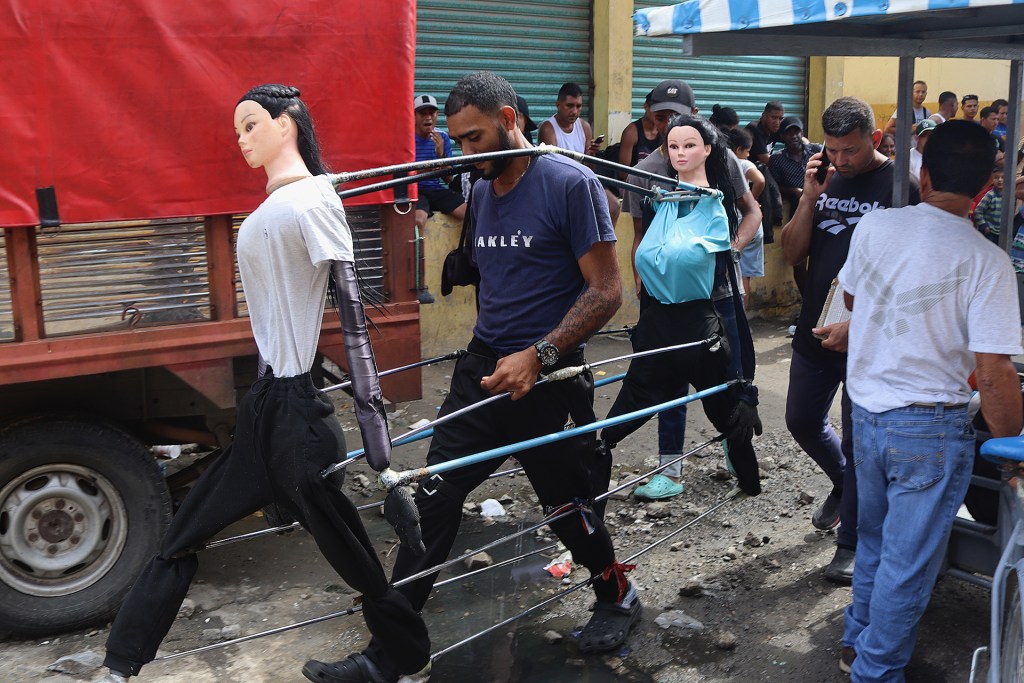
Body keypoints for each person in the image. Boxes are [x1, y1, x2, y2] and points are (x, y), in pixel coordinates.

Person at [308, 71, 636, 682]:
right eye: (458, 141)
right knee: (433, 498)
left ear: (510, 119)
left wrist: (539, 354)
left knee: (567, 507)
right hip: (482, 370)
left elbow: (607, 291)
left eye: (475, 137)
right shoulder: (482, 190)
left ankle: (617, 593)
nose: (466, 152)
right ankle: (391, 653)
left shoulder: (572, 184)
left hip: (550, 377)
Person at [100, 84, 429, 683]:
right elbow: (270, 325)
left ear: (287, 123)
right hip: (263, 412)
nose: (242, 140)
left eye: (251, 125)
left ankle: (407, 658)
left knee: (354, 559)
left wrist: (384, 465)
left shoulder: (314, 202)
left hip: (298, 417)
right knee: (180, 536)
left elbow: (355, 332)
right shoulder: (267, 213)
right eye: (237, 131)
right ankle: (120, 666)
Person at [837, 119, 1023, 680]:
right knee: (907, 563)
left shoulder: (875, 226)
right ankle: (875, 671)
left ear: (924, 176)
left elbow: (853, 297)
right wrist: (1014, 449)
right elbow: (994, 372)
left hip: (866, 414)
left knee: (875, 541)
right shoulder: (987, 260)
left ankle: (856, 643)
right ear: (986, 186)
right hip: (928, 427)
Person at [780, 96, 920, 586]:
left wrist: (860, 324)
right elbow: (792, 253)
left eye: (851, 151)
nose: (840, 160)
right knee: (800, 419)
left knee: (860, 440)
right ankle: (843, 485)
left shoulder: (903, 188)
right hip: (817, 329)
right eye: (833, 150)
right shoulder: (823, 178)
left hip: (871, 337)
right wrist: (808, 199)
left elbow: (913, 276)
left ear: (875, 139)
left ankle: (852, 543)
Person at [598, 113, 763, 501]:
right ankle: (659, 473)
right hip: (659, 314)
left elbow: (750, 211)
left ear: (706, 147)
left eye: (689, 145)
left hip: (705, 314)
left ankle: (743, 467)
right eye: (673, 145)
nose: (680, 152)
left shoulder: (717, 192)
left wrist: (732, 250)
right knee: (635, 409)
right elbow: (640, 241)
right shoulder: (652, 184)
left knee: (727, 400)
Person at [539, 82, 621, 224]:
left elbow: (590, 168)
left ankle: (604, 239)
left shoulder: (584, 127)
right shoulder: (548, 129)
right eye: (570, 106)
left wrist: (590, 154)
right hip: (558, 185)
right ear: (558, 105)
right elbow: (552, 169)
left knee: (613, 205)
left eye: (578, 106)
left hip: (582, 181)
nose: (574, 111)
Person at [413, 94, 467, 304]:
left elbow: (448, 178)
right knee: (419, 220)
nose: (428, 117)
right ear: (414, 116)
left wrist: (441, 155)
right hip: (417, 191)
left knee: (469, 213)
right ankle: (421, 284)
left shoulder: (442, 138)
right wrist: (429, 168)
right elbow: (407, 174)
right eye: (423, 113)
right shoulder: (407, 138)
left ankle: (471, 264)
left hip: (435, 189)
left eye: (432, 113)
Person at [768, 115, 823, 215]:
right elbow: (774, 187)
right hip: (797, 205)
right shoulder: (777, 159)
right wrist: (794, 191)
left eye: (796, 132)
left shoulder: (816, 150)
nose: (793, 136)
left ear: (802, 134)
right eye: (789, 133)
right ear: (782, 136)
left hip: (820, 199)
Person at [617, 90, 664, 175]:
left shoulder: (664, 130)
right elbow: (623, 172)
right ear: (646, 107)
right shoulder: (631, 132)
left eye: (661, 110)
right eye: (655, 110)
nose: (658, 114)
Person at [973, 165, 1005, 243]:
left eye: (1003, 177)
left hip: (1001, 232)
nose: (1000, 180)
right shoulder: (990, 195)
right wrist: (984, 226)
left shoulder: (1009, 197)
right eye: (996, 177)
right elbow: (978, 211)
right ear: (992, 180)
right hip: (989, 232)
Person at [908, 118, 937, 183]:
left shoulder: (939, 156)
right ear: (916, 138)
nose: (929, 139)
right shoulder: (908, 158)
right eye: (925, 135)